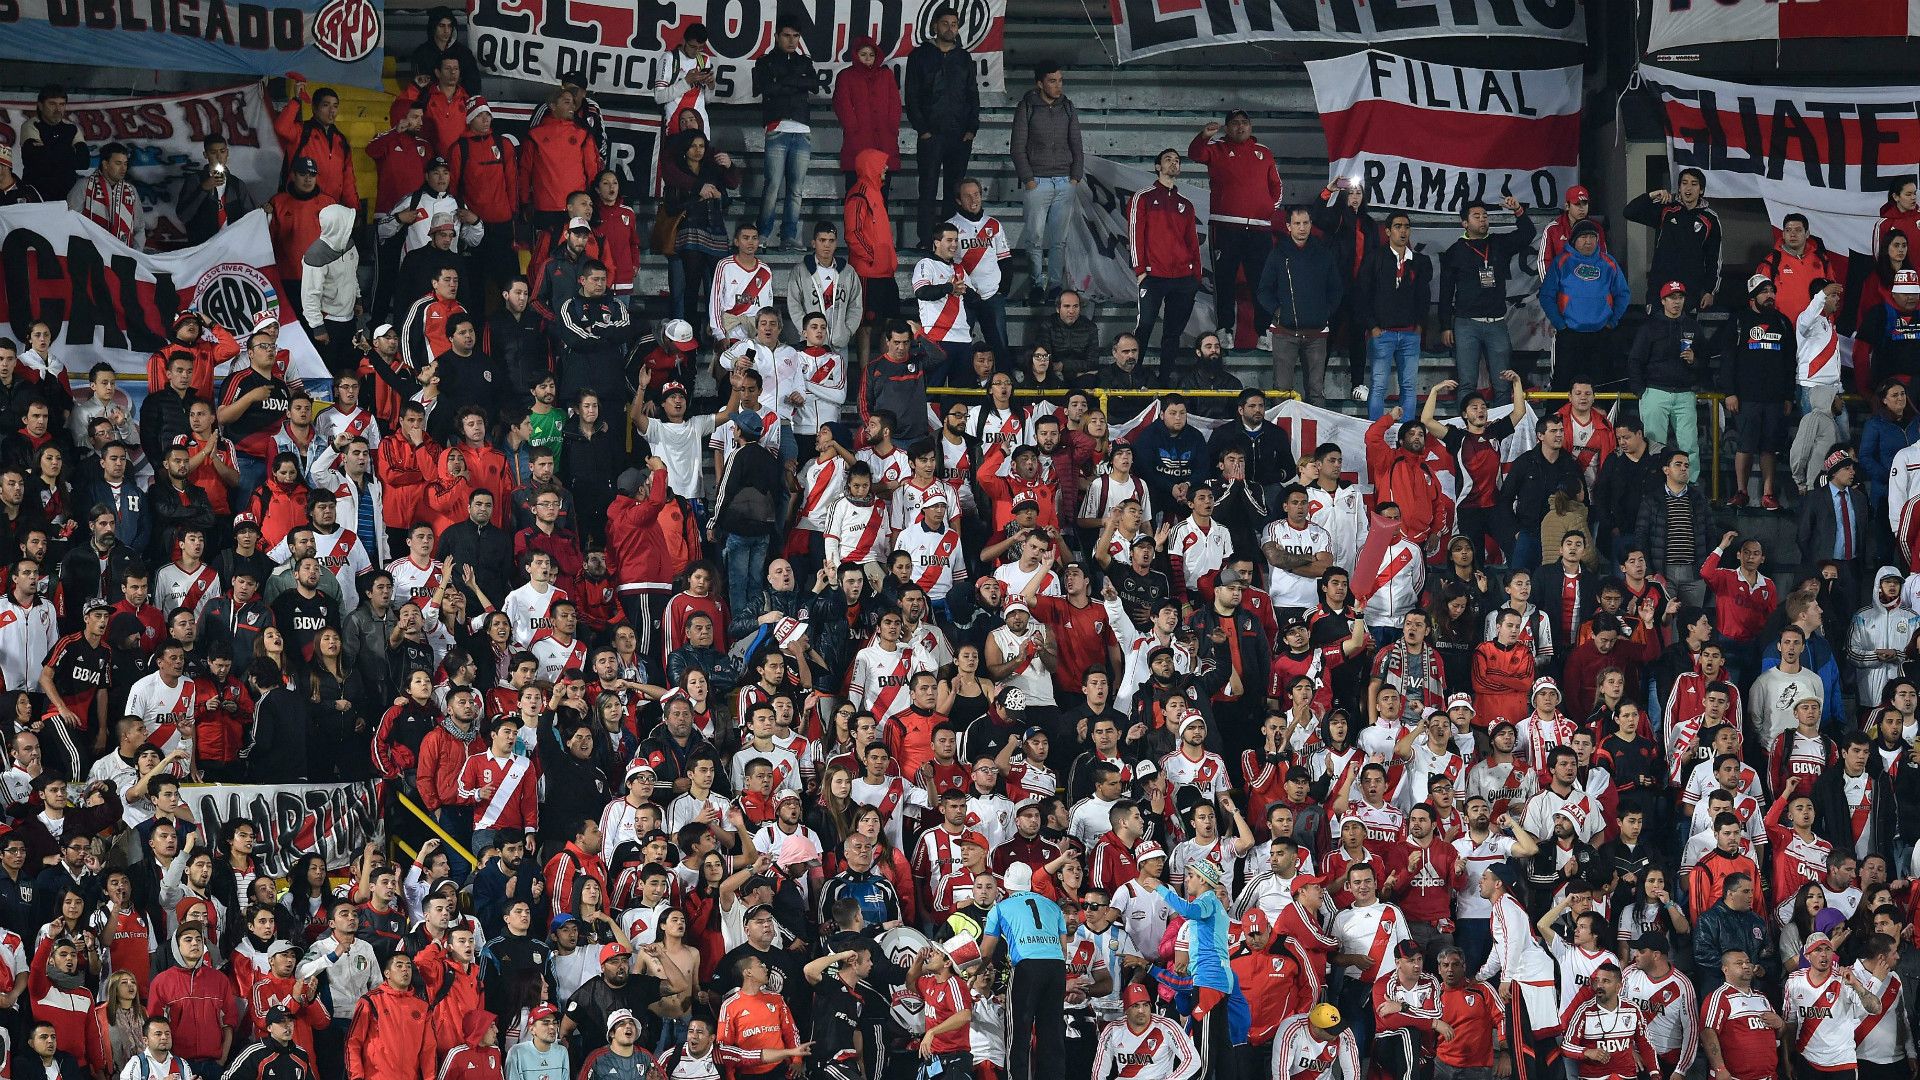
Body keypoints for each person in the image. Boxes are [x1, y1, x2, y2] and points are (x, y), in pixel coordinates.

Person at [1187, 111, 1283, 349]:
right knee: (1225, 280)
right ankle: (1225, 329)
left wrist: (1266, 209)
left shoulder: (1264, 152)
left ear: (1250, 126)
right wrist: (1204, 136)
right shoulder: (1216, 148)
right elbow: (1195, 153)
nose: (1240, 127)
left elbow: (1277, 186)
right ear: (1227, 128)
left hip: (1259, 229)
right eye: (1235, 123)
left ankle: (1264, 332)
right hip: (1226, 226)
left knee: (1261, 281)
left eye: (1244, 122)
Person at [1438, 196, 1535, 391]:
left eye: (1485, 216)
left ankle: (1502, 421)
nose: (1483, 219)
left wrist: (1518, 210)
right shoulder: (1454, 252)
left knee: (1502, 384)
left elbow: (1527, 233)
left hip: (1496, 322)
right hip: (1466, 324)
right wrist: (1445, 326)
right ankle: (1466, 422)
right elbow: (1446, 292)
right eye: (1477, 216)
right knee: (1466, 383)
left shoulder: (1498, 243)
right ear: (1464, 223)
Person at [979, 862, 1065, 1080]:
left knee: (1018, 1032)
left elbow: (986, 952)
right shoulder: (1053, 906)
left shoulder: (1000, 908)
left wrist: (976, 972)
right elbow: (1063, 948)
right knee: (1051, 1033)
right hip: (1056, 968)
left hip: (1027, 967)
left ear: (1006, 885)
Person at [905, 6, 981, 250]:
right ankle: (927, 240)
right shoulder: (920, 55)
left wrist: (972, 128)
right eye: (945, 23)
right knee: (927, 188)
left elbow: (972, 94)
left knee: (954, 190)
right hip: (931, 135)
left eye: (954, 24)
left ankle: (950, 240)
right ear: (935, 26)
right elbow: (912, 95)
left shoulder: (963, 57)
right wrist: (923, 129)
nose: (950, 28)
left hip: (959, 135)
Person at [1719, 274, 1797, 509]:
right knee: (1745, 446)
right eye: (1764, 292)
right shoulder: (1738, 321)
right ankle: (1741, 492)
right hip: (1746, 398)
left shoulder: (1783, 322)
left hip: (1774, 399)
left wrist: (1787, 395)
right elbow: (1727, 359)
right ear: (1752, 297)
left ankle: (1768, 493)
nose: (1770, 295)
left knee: (1769, 447)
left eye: (1772, 291)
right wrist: (1729, 392)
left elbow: (1790, 363)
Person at [1011, 61, 1083, 301]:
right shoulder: (1026, 107)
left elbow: (1076, 143)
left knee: (1059, 241)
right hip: (1038, 182)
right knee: (1034, 239)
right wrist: (1028, 178)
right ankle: (1035, 285)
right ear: (1040, 83)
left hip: (1064, 181)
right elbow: (1017, 146)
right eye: (1052, 81)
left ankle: (1053, 285)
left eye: (1060, 80)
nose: (1058, 85)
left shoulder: (1068, 107)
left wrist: (1075, 176)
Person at [1259, 206, 1343, 407]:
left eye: (1306, 223)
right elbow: (1263, 290)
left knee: (1316, 391)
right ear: (1288, 226)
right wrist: (1279, 312)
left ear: (1311, 225)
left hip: (1317, 334)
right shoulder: (1278, 254)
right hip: (1284, 332)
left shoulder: (1324, 254)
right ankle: (1282, 436)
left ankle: (1317, 437)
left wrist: (1325, 313)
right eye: (1297, 223)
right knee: (1281, 390)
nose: (1302, 228)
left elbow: (1336, 289)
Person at [1354, 210, 1431, 420]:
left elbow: (1424, 297)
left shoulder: (1419, 262)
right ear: (1388, 231)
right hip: (1382, 333)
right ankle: (1375, 430)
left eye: (1406, 226)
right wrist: (1373, 327)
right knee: (1378, 385)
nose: (1403, 231)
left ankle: (1408, 431)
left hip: (1410, 334)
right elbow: (1362, 295)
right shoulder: (1375, 258)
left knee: (1409, 385)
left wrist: (1420, 326)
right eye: (1397, 226)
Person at [1629, 281, 1706, 483]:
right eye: (1672, 298)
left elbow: (1705, 361)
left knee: (1689, 445)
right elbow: (1635, 360)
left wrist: (1694, 361)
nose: (1677, 302)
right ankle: (1654, 483)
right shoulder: (1650, 327)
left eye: (1680, 297)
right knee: (1654, 444)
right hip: (1655, 392)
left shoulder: (1692, 326)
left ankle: (1690, 487)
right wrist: (1641, 392)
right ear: (1663, 301)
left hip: (1684, 393)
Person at [1541, 221, 1630, 392]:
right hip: (1569, 334)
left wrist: (1612, 322)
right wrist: (1560, 324)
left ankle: (1601, 419)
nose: (1588, 241)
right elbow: (1546, 295)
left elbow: (1623, 294)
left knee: (1601, 384)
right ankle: (1559, 419)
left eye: (1592, 237)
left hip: (1601, 335)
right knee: (1563, 383)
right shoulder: (1561, 262)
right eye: (1583, 236)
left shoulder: (1608, 262)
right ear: (1573, 240)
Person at [752, 19, 815, 250]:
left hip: (802, 129)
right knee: (773, 186)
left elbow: (814, 83)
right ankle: (763, 233)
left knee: (795, 189)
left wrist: (784, 82)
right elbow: (765, 88)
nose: (792, 40)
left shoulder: (804, 61)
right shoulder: (765, 62)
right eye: (787, 35)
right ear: (777, 36)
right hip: (777, 127)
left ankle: (788, 236)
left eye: (796, 36)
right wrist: (797, 83)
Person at [1623, 170, 1721, 309]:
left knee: (1685, 330)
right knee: (1656, 329)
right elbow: (1629, 212)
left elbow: (1714, 258)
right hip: (1659, 287)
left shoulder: (1710, 219)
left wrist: (1710, 291)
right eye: (1684, 183)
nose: (1688, 188)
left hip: (1690, 291)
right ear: (1679, 188)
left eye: (1694, 184)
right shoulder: (1666, 209)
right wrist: (1651, 195)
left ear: (1701, 190)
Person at [175, 135, 258, 245]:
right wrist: (203, 189)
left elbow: (250, 216)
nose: (219, 157)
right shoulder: (195, 180)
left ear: (227, 153)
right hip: (203, 247)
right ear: (206, 155)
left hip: (232, 245)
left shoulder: (237, 184)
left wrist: (262, 212)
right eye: (213, 152)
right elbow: (183, 216)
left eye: (222, 151)